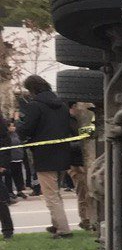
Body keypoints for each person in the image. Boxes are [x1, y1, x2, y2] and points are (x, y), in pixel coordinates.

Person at [17, 75, 74, 238]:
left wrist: (20, 125)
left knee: (50, 195)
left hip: (44, 154)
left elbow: (27, 129)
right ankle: (57, 224)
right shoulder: (62, 105)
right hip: (62, 152)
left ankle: (64, 229)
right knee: (56, 193)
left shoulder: (35, 106)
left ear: (32, 89)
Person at [67, 102, 98, 230]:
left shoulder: (89, 120)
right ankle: (85, 219)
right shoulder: (68, 122)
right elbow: (69, 144)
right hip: (77, 163)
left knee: (92, 192)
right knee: (82, 193)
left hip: (90, 161)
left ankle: (92, 218)